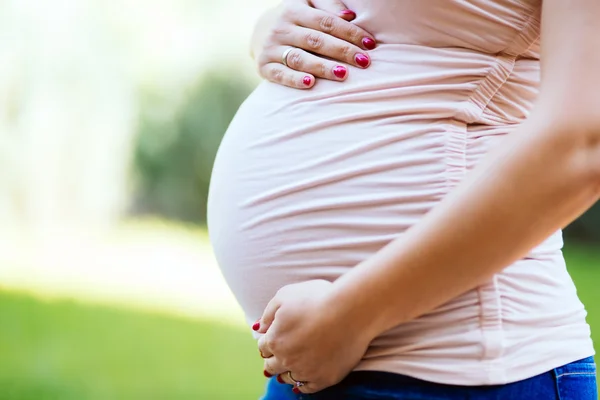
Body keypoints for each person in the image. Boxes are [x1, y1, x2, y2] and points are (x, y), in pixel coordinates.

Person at [207, 0, 599, 399]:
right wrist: (271, 29)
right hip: (314, 352)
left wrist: (351, 316)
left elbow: (581, 147)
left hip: (458, 365)